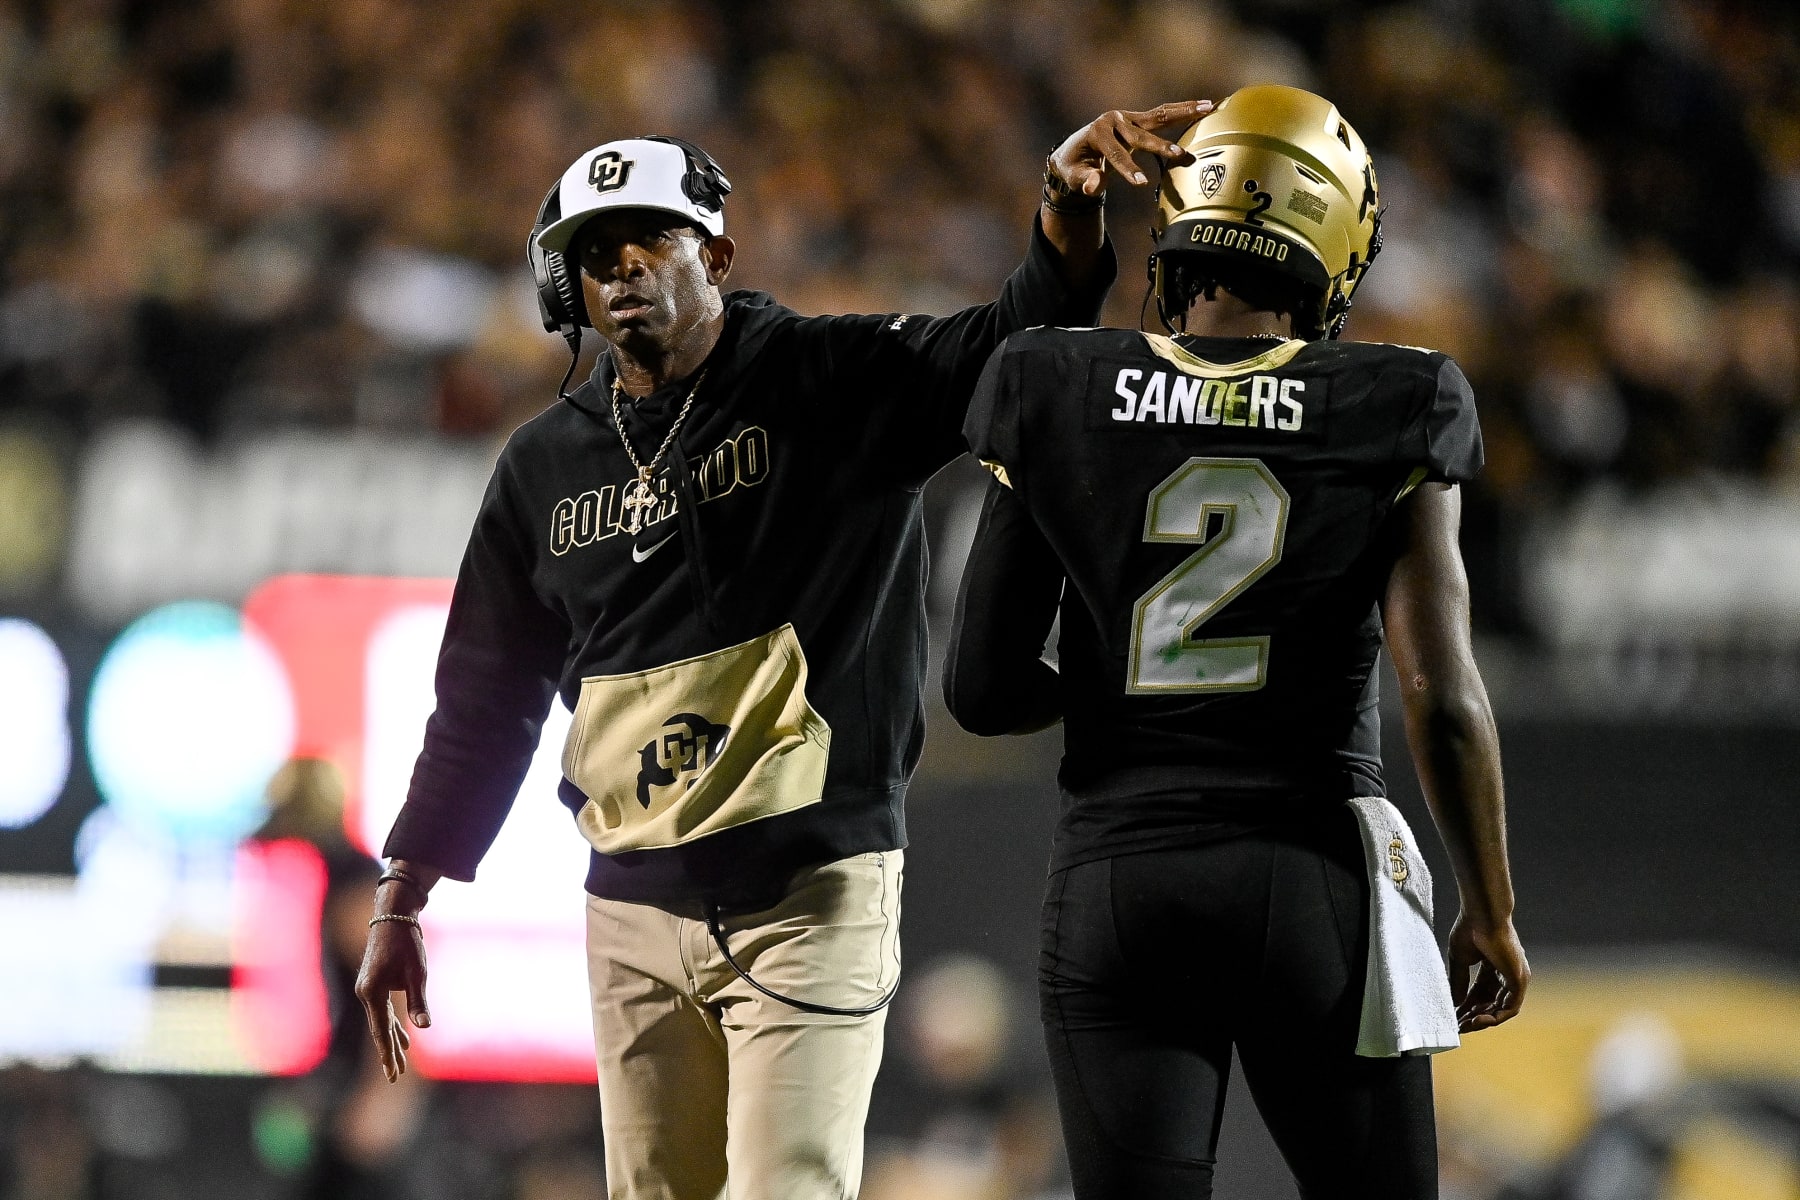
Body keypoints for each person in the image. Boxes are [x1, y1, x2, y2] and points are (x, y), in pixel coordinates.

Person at [354, 104, 1215, 1200]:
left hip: (809, 889)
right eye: (595, 256)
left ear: (715, 251)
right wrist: (405, 893)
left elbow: (1007, 342)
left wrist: (1062, 223)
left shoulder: (827, 378)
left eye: (650, 241)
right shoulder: (540, 466)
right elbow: (482, 697)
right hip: (629, 902)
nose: (622, 271)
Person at [944, 85, 1530, 1199]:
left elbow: (978, 687)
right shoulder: (1399, 396)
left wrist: (1127, 676)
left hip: (1119, 877)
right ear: (1338, 244)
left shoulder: (1049, 378)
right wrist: (1490, 910)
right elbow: (1442, 694)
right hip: (1310, 875)